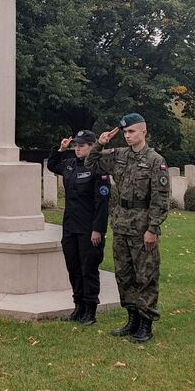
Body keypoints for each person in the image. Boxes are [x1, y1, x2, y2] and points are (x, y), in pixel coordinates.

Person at [85, 113, 169, 343]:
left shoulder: (155, 160)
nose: (127, 136)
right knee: (124, 275)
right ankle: (131, 319)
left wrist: (152, 229)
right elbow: (90, 163)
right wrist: (100, 143)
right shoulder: (119, 155)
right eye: (125, 133)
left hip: (142, 227)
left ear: (144, 131)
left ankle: (146, 323)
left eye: (131, 131)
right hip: (121, 223)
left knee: (146, 276)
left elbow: (160, 200)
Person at [47, 129, 111, 325]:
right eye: (76, 145)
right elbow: (52, 165)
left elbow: (102, 203)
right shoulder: (70, 165)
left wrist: (97, 230)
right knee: (73, 267)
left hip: (88, 228)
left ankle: (90, 309)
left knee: (88, 269)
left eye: (82, 145)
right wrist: (61, 149)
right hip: (70, 226)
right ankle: (78, 306)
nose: (77, 149)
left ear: (92, 147)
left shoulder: (98, 169)